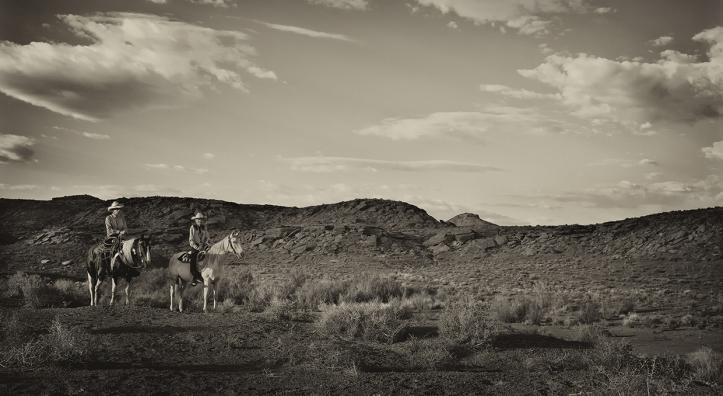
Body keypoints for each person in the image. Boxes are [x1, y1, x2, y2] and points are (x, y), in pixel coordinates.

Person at [102, 201, 128, 277]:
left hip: (122, 237)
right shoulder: (108, 218)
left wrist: (124, 231)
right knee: (111, 250)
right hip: (111, 237)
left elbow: (126, 228)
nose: (118, 210)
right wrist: (119, 231)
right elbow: (109, 230)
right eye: (116, 209)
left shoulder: (122, 218)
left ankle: (129, 266)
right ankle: (109, 267)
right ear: (113, 210)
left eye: (119, 209)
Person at [189, 211, 210, 286]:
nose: (199, 221)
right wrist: (196, 247)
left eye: (201, 219)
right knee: (193, 259)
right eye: (198, 219)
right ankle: (195, 277)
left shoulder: (204, 227)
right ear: (195, 220)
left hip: (203, 246)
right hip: (195, 246)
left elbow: (207, 237)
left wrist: (207, 242)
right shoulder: (192, 227)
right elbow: (191, 240)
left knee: (211, 256)